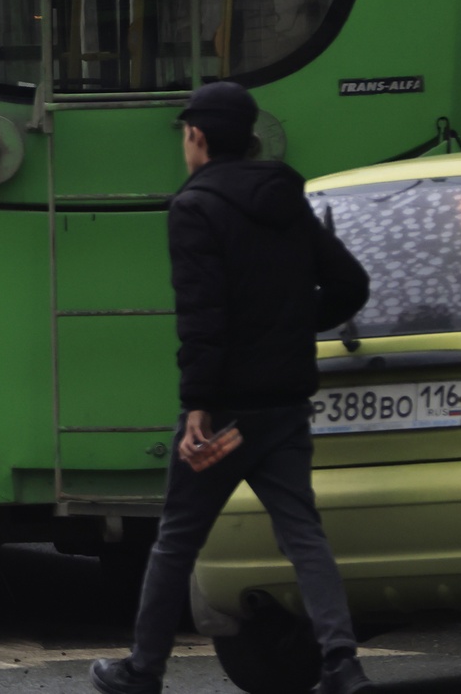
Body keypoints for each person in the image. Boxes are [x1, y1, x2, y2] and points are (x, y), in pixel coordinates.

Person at [92, 80, 373, 694]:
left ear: (197, 137)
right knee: (302, 531)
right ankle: (342, 662)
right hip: (284, 404)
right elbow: (351, 284)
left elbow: (203, 317)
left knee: (176, 540)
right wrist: (298, 322)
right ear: (248, 138)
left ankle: (143, 670)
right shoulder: (285, 198)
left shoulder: (195, 209)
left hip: (223, 414)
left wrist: (197, 406)